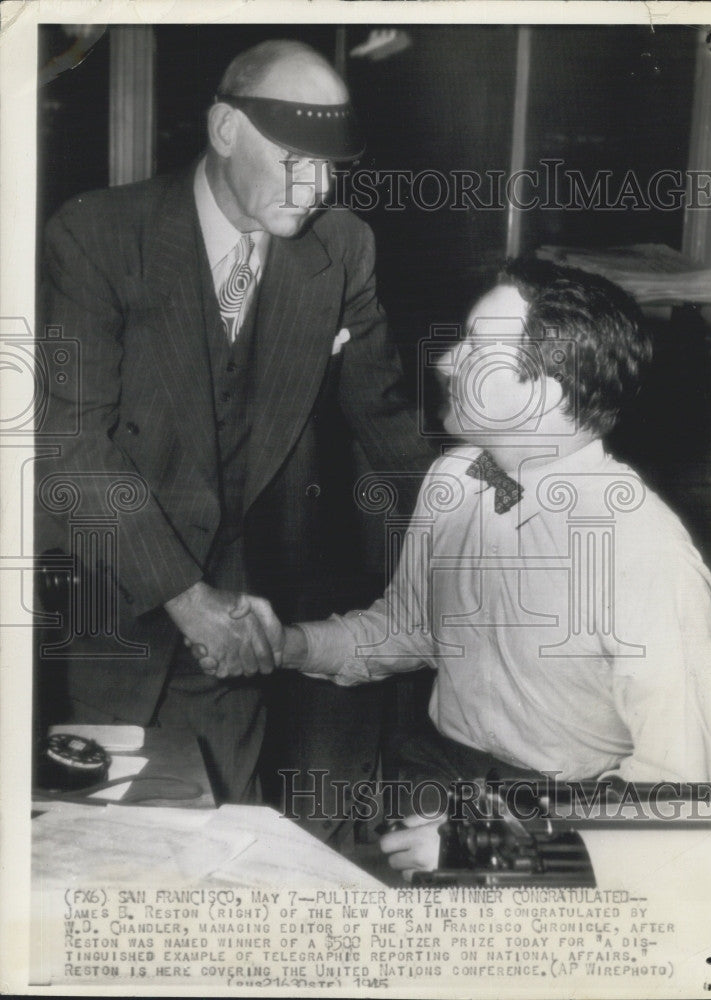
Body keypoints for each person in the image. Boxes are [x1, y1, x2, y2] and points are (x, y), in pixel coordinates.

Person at [35, 39, 433, 805]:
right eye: (293, 159)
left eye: (331, 167)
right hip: (110, 608)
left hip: (245, 622)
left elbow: (384, 415)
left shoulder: (342, 248)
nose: (315, 187)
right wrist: (189, 600)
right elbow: (73, 445)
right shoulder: (98, 235)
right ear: (224, 130)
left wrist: (485, 505)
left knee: (219, 840)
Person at [280, 259, 711, 874]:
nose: (445, 361)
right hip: (427, 784)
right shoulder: (455, 478)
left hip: (559, 831)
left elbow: (678, 794)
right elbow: (412, 629)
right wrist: (290, 644)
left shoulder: (643, 551)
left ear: (546, 391)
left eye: (477, 348)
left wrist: (495, 842)